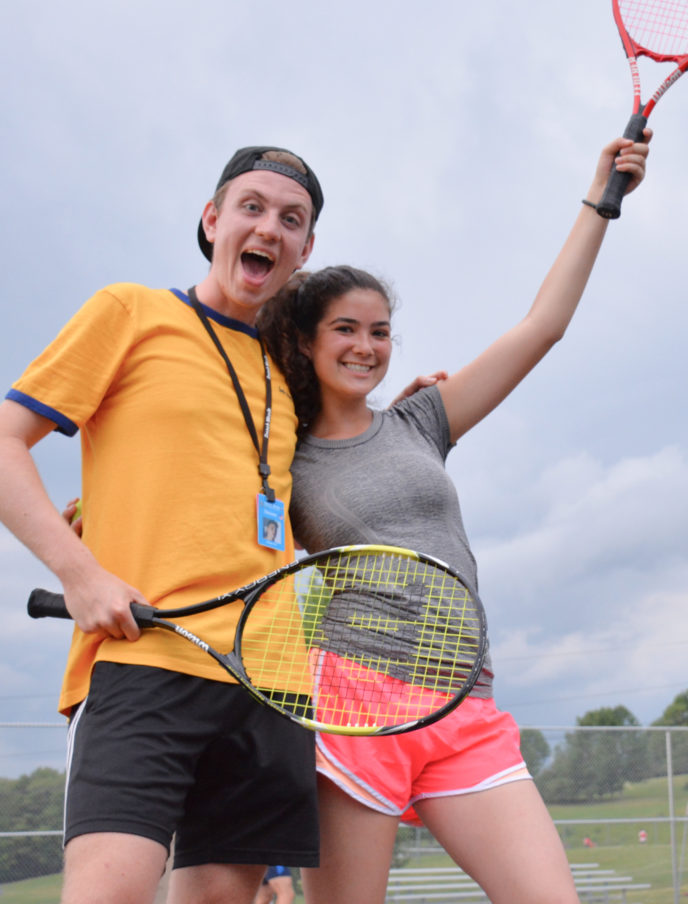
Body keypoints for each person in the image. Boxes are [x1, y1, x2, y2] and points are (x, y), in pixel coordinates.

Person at [256, 134, 651, 904]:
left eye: (378, 331)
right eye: (345, 328)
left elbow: (542, 327)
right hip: (355, 706)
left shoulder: (421, 421)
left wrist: (602, 200)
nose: (366, 346)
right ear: (305, 341)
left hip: (465, 703)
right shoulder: (282, 456)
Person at [0, 146, 324, 904]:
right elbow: (7, 441)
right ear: (212, 220)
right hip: (146, 654)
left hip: (270, 681)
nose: (269, 228)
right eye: (252, 207)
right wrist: (79, 573)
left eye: (291, 219)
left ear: (306, 249)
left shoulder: (289, 372)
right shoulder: (131, 311)